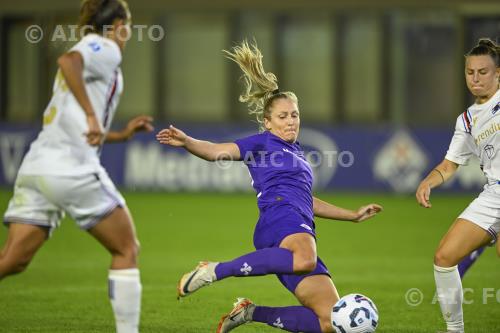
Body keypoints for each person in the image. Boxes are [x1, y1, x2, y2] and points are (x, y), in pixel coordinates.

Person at [156, 40, 382, 333]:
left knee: (330, 321)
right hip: (280, 219)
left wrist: (352, 215)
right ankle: (212, 271)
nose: (291, 122)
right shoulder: (263, 143)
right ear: (268, 122)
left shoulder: (298, 153)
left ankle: (250, 313)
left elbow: (308, 201)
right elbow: (215, 151)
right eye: (283, 116)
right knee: (305, 259)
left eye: (295, 115)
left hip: (299, 226)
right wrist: (188, 142)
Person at [1, 1, 153, 332]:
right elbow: (68, 60)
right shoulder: (105, 47)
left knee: (12, 261)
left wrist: (121, 134)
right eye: (127, 24)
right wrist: (90, 114)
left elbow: (84, 130)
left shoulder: (93, 51)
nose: (129, 33)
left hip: (37, 167)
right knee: (126, 248)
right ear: (117, 25)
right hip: (69, 169)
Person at [416, 38, 500, 333]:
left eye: (483, 72)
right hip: (494, 194)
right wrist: (428, 181)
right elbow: (450, 164)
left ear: (498, 73)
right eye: (470, 72)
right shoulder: (466, 119)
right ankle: (455, 330)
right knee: (444, 257)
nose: (475, 78)